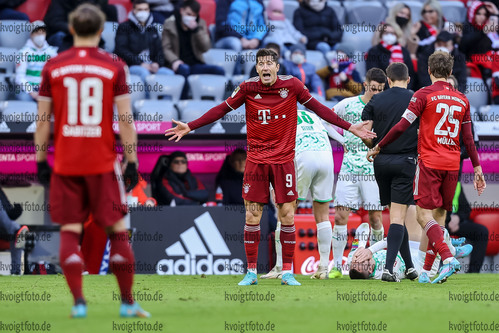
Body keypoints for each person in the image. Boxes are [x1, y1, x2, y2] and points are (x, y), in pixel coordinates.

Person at [165, 48, 376, 286]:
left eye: (269, 64)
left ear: (277, 67)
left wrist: (351, 128)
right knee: (252, 215)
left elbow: (319, 108)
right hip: (256, 161)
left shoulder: (293, 86)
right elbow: (221, 109)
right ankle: (251, 272)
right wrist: (190, 126)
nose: (265, 68)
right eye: (261, 64)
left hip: (284, 161)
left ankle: (286, 271)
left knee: (287, 215)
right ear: (256, 68)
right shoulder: (247, 88)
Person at [35, 4, 148, 318]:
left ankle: (79, 304)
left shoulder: (53, 65)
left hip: (67, 164)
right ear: (102, 31)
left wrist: (41, 161)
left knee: (70, 231)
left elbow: (43, 120)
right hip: (102, 162)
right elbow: (126, 120)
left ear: (71, 30)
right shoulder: (114, 65)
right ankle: (127, 303)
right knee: (118, 231)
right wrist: (133, 161)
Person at [367, 51, 486, 284]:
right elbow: (469, 139)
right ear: (451, 72)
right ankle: (430, 271)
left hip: (430, 162)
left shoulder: (423, 94)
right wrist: (478, 167)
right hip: (453, 165)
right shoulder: (462, 99)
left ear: (429, 71)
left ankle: (447, 258)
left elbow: (402, 126)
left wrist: (380, 145)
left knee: (423, 216)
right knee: (439, 217)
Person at [261, 109, 345, 280]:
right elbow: (330, 129)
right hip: (326, 158)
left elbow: (274, 150)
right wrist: (345, 142)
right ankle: (323, 267)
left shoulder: (279, 115)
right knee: (322, 213)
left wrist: (272, 184)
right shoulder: (313, 115)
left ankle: (279, 267)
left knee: (286, 211)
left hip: (303, 157)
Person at [361, 62, 419, 282]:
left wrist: (373, 148)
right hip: (405, 161)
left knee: (397, 215)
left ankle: (411, 268)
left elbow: (366, 133)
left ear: (387, 79)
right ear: (408, 79)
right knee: (397, 217)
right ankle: (388, 269)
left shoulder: (377, 99)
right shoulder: (416, 98)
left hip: (381, 162)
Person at [328, 68, 386, 279]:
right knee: (341, 215)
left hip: (373, 166)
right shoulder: (348, 104)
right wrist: (342, 139)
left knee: (375, 217)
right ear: (365, 84)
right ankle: (335, 266)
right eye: (373, 88)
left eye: (380, 89)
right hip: (349, 166)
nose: (376, 93)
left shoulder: (384, 108)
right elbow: (326, 120)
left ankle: (379, 263)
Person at [349, 223, 472, 280]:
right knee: (435, 229)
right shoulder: (382, 273)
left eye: (354, 262)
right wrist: (370, 250)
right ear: (370, 270)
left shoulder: (355, 259)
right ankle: (452, 251)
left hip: (411, 250)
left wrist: (359, 247)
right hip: (422, 265)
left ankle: (447, 246)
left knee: (411, 212)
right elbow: (393, 240)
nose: (357, 260)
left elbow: (363, 227)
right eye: (359, 262)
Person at [162, 0, 224, 98]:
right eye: (188, 14)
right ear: (181, 11)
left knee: (219, 71)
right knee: (184, 69)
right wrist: (174, 60)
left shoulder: (200, 24)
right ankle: (182, 101)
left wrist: (196, 30)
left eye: (193, 15)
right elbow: (165, 48)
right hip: (178, 64)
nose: (190, 17)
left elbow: (206, 47)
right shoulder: (169, 24)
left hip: (195, 64)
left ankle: (213, 102)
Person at [115, 0, 173, 86]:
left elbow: (159, 49)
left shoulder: (152, 28)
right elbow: (121, 50)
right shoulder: (124, 27)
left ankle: (165, 99)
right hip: (132, 65)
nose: (143, 12)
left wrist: (157, 63)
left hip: (152, 65)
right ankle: (147, 99)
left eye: (146, 9)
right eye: (140, 9)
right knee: (144, 73)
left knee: (169, 74)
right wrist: (140, 63)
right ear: (133, 10)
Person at [44, 0, 117, 51]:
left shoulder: (104, 6)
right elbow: (54, 22)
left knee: (105, 37)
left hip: (91, 33)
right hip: (66, 33)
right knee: (60, 36)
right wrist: (78, 28)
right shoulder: (61, 2)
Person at [15, 21, 58, 102]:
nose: (40, 36)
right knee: (24, 99)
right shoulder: (23, 52)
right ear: (31, 34)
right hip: (27, 90)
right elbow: (19, 78)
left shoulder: (52, 52)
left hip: (45, 88)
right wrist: (32, 92)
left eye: (42, 33)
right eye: (37, 33)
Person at [366, 23, 417, 90]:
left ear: (396, 35)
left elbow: (410, 74)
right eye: (386, 33)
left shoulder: (404, 51)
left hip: (403, 90)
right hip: (382, 91)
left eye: (392, 33)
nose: (389, 35)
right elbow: (374, 74)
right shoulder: (374, 51)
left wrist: (405, 89)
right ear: (381, 35)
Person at [0, 187, 28, 275]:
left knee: (16, 235)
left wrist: (16, 211)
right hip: (5, 228)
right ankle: (16, 230)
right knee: (16, 232)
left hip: (3, 230)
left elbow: (9, 214)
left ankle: (15, 272)